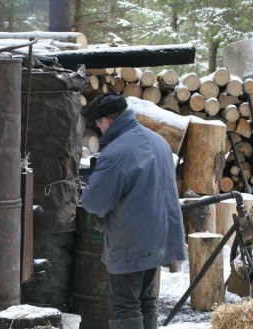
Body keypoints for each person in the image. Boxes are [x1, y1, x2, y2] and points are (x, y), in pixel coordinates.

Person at [80, 93, 187, 329]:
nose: (99, 130)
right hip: (159, 238)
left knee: (125, 306)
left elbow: (95, 203)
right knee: (146, 300)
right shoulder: (158, 141)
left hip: (132, 242)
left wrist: (86, 189)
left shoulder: (116, 152)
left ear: (107, 120)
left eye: (98, 125)